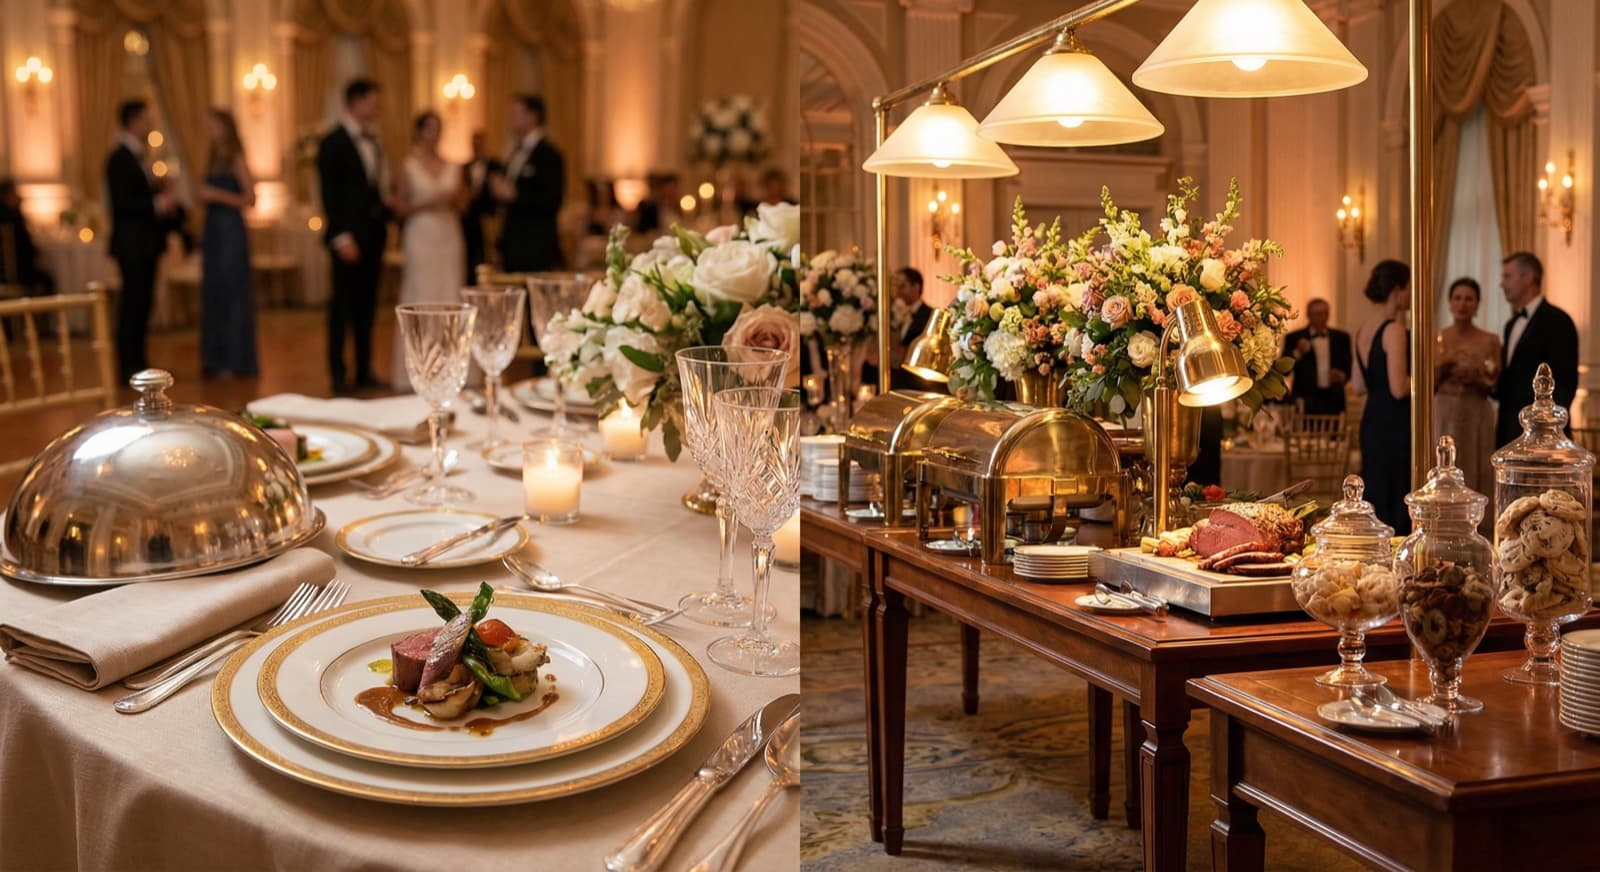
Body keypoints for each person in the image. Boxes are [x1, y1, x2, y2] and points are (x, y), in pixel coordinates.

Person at [317, 78, 390, 395]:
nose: (376, 108)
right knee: (342, 309)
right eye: (372, 102)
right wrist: (341, 237)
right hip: (346, 240)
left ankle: (364, 370)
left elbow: (370, 193)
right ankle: (338, 374)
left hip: (373, 237)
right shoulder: (332, 142)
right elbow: (330, 195)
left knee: (367, 307)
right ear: (356, 102)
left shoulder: (372, 142)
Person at [393, 109, 466, 392]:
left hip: (448, 233)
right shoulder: (408, 165)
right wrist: (427, 203)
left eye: (438, 128)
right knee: (421, 296)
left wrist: (452, 200)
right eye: (429, 128)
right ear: (419, 132)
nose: (433, 134)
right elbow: (398, 206)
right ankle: (419, 365)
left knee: (449, 294)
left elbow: (464, 205)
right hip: (421, 233)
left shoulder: (453, 166)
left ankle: (450, 366)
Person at [107, 99, 179, 380]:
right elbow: (123, 204)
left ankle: (137, 360)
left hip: (143, 245)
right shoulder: (119, 158)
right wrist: (158, 204)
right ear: (134, 121)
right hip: (132, 245)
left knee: (142, 303)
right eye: (146, 119)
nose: (149, 124)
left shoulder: (138, 157)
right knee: (133, 304)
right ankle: (129, 363)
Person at [1350, 259, 1412, 534]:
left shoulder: (1363, 329)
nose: (1411, 294)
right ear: (1397, 289)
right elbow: (1399, 388)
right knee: (1397, 491)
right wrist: (1427, 378)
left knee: (1376, 490)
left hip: (1371, 419)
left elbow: (1358, 386)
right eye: (1409, 288)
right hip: (1393, 422)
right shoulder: (1394, 329)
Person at [197, 108, 259, 378]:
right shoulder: (212, 158)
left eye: (213, 125)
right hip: (214, 231)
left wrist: (216, 195)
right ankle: (216, 358)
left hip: (230, 232)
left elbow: (250, 198)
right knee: (215, 294)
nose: (210, 130)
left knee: (233, 294)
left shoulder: (235, 157)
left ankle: (236, 360)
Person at [1495, 251, 1580, 447]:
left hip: (1543, 437)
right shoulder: (1511, 324)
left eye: (1507, 276)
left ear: (1528, 277)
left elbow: (1565, 383)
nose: (1502, 284)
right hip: (1510, 430)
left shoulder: (1558, 321)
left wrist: (1544, 431)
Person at [1433, 277, 1499, 497]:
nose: (1463, 304)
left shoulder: (1490, 340)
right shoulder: (1437, 338)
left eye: (1469, 299)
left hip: (1476, 409)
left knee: (1476, 464)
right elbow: (1427, 382)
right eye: (1458, 298)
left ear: (1477, 304)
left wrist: (1477, 377)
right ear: (1450, 303)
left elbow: (1496, 382)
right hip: (1444, 408)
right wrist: (1444, 366)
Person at [493, 95, 564, 272]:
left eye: (516, 113)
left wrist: (515, 196)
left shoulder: (549, 154)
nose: (511, 119)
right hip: (512, 242)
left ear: (532, 117)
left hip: (535, 244)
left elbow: (552, 199)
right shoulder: (515, 151)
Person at [1281, 297, 1352, 414]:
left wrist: (1341, 375)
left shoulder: (1342, 338)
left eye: (1326, 313)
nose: (1323, 317)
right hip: (1305, 400)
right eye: (1319, 314)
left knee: (1334, 432)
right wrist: (1298, 352)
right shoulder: (1294, 338)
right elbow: (1284, 371)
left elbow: (1349, 368)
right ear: (1309, 315)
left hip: (1334, 400)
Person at [460, 130, 500, 286]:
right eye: (474, 142)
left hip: (488, 218)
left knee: (487, 256)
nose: (477, 146)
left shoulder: (495, 165)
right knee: (469, 258)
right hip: (469, 220)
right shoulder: (464, 167)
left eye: (480, 142)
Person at [0, 178, 52, 296]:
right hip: (18, 273)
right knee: (48, 279)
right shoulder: (13, 217)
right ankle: (37, 313)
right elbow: (27, 249)